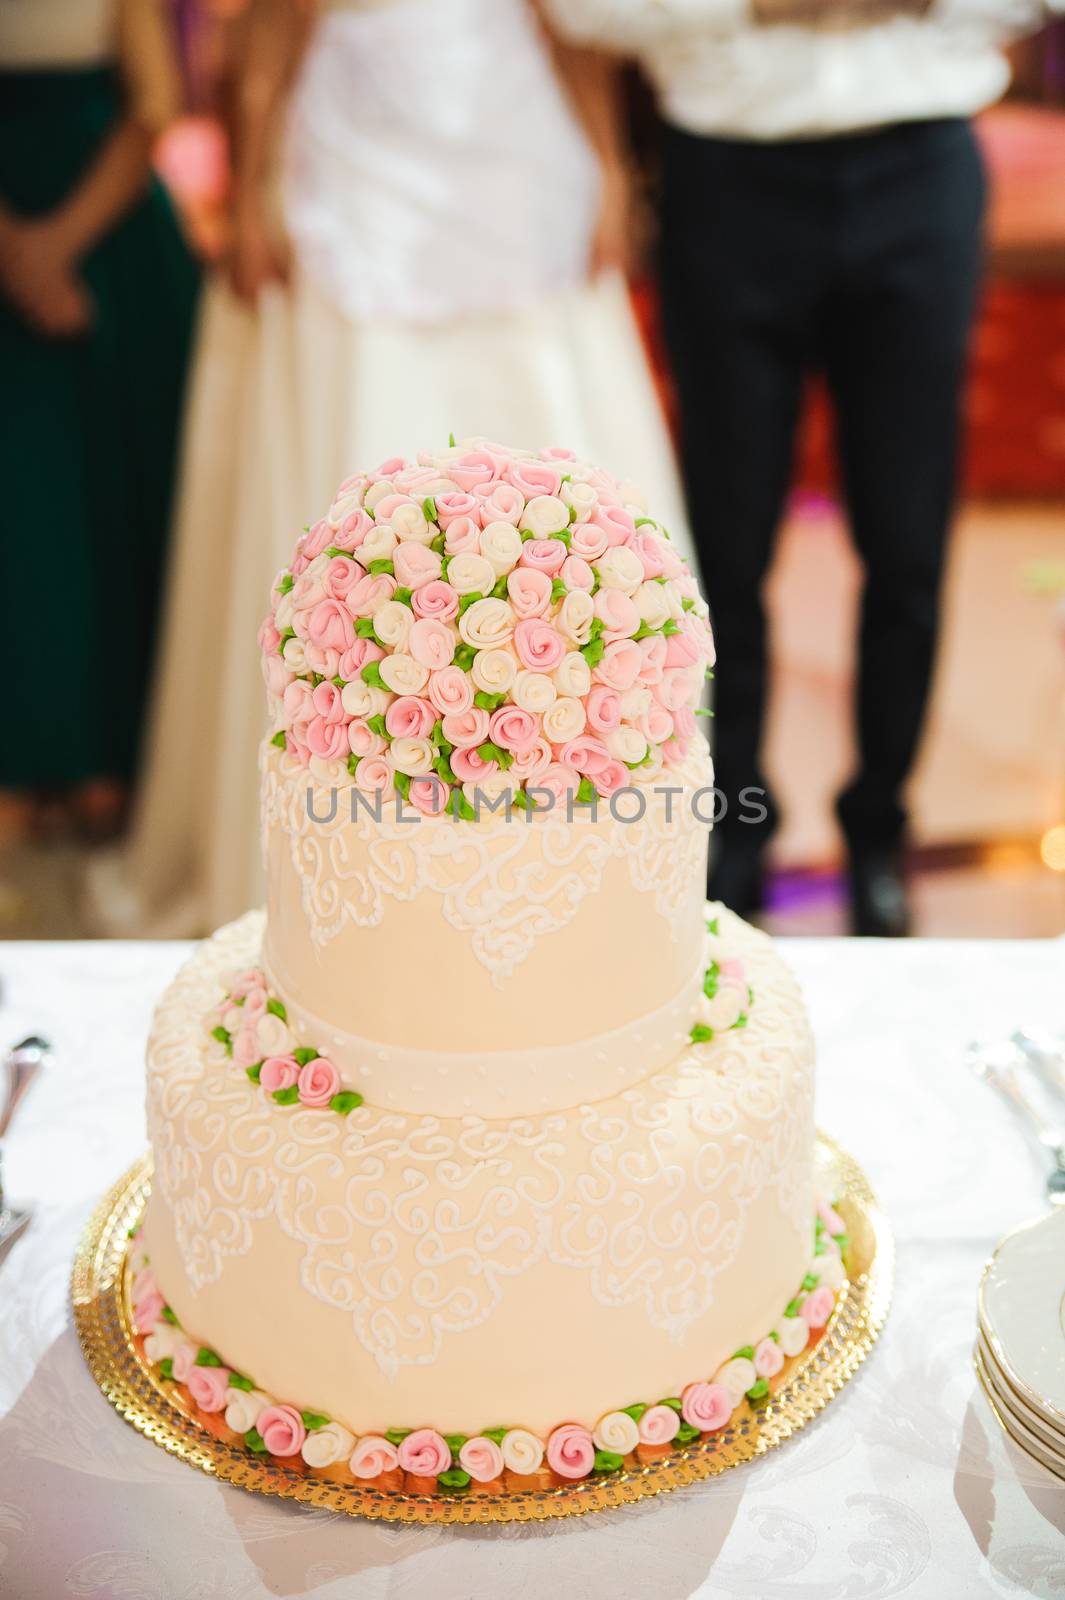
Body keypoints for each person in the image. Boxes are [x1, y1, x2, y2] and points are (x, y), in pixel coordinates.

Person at [103, 0, 693, 935]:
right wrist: (252, 185)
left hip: (514, 151)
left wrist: (611, 170)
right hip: (355, 151)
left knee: (555, 464)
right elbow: (266, 30)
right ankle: (346, 873)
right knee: (356, 471)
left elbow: (571, 27)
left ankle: (578, 828)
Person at [547, 0, 1065, 934]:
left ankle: (879, 833)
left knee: (907, 543)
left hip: (920, 167)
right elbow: (586, 11)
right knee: (725, 545)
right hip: (728, 174)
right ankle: (732, 825)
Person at [0, 0, 199, 845]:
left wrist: (56, 245)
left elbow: (154, 106)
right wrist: (18, 250)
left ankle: (109, 756)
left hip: (110, 234)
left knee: (120, 488)